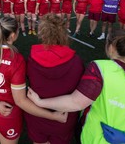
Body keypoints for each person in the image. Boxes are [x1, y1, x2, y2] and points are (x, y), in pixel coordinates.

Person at [0, 17, 67, 144]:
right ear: (13, 35)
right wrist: (53, 116)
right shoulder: (17, 60)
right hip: (8, 114)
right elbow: (20, 101)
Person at [26, 14, 84, 143]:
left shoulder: (31, 59)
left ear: (42, 32)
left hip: (38, 114)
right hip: (64, 117)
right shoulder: (76, 62)